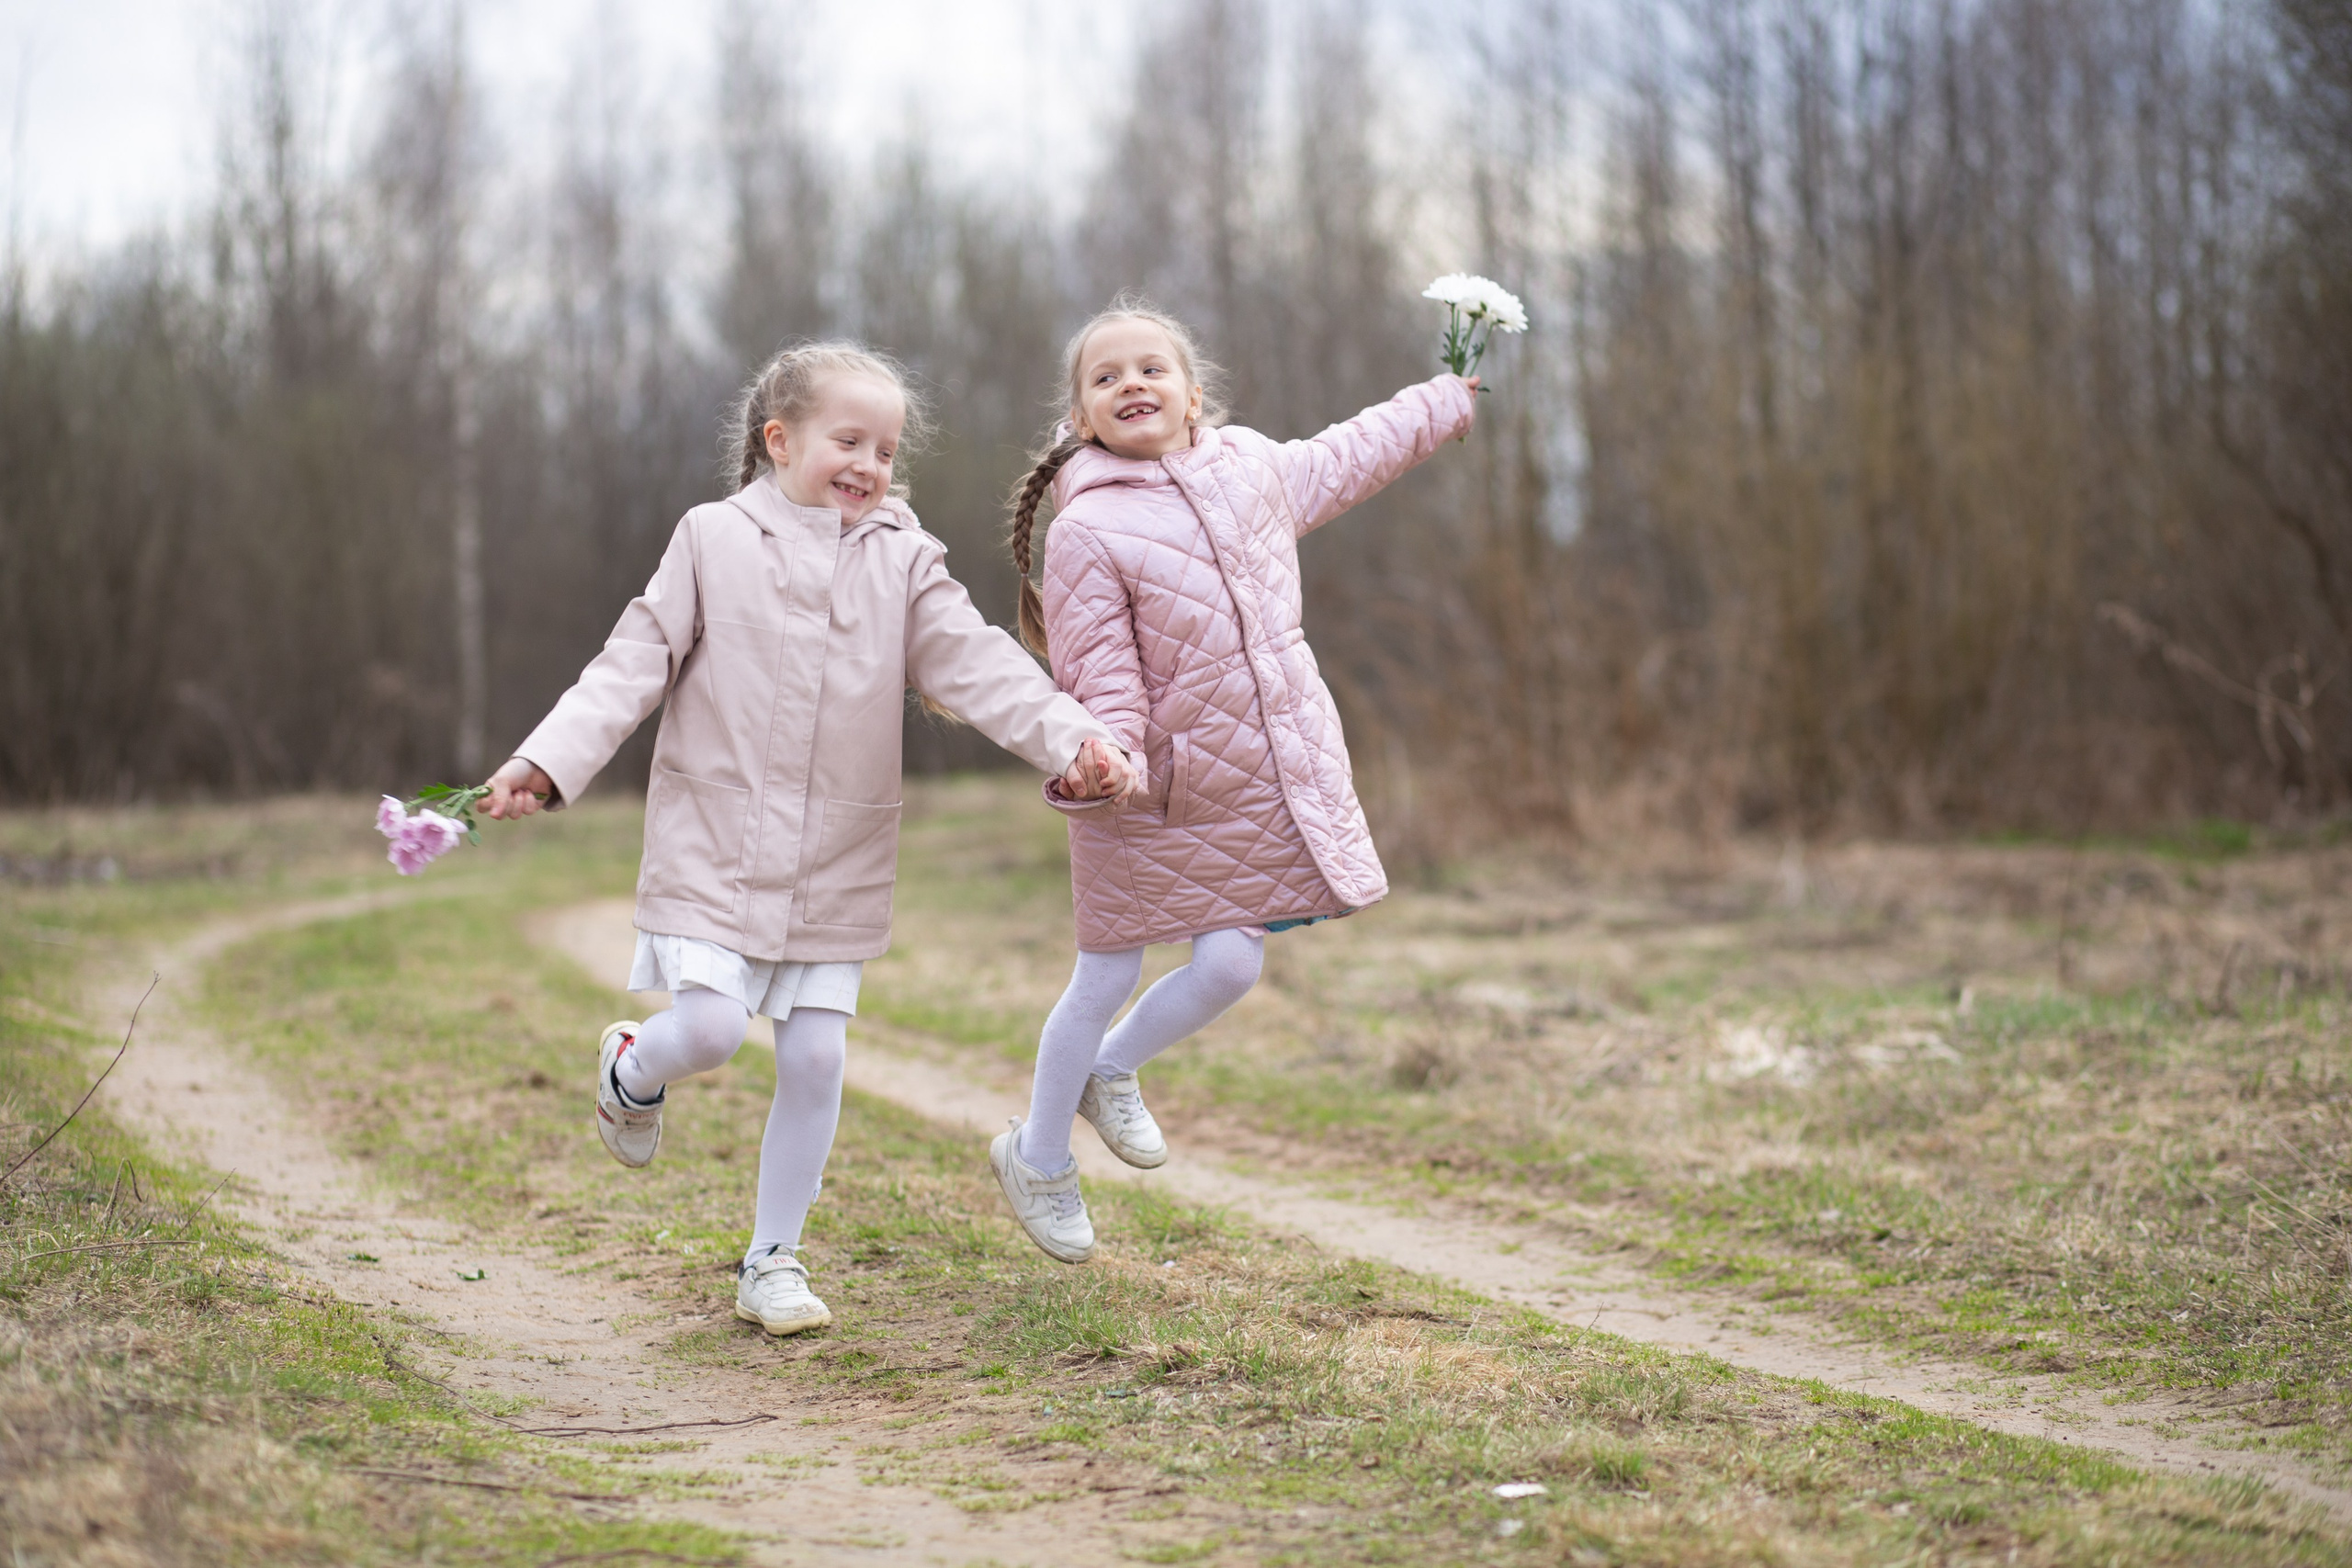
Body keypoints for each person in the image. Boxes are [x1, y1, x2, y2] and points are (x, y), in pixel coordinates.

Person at [481, 342, 1138, 1332]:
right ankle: (631, 1068)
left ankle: (772, 1261)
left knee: (817, 1061)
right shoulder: (711, 539)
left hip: (837, 857)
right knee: (706, 1032)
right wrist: (544, 761)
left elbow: (981, 666)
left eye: (885, 448)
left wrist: (1073, 736)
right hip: (714, 838)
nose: (869, 465)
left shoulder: (905, 563)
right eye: (848, 440)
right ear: (778, 440)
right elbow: (629, 665)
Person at [993, 297, 1477, 1262]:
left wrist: (1443, 399)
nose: (1131, 383)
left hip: (1247, 781)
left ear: (1191, 394)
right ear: (1082, 418)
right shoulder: (1088, 532)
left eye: (1150, 368)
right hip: (1143, 783)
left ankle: (1113, 1070)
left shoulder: (1253, 470)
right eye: (1106, 377)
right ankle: (1039, 1155)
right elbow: (1098, 674)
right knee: (1108, 970)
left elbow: (1352, 451)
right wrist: (1113, 759)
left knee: (1230, 964)